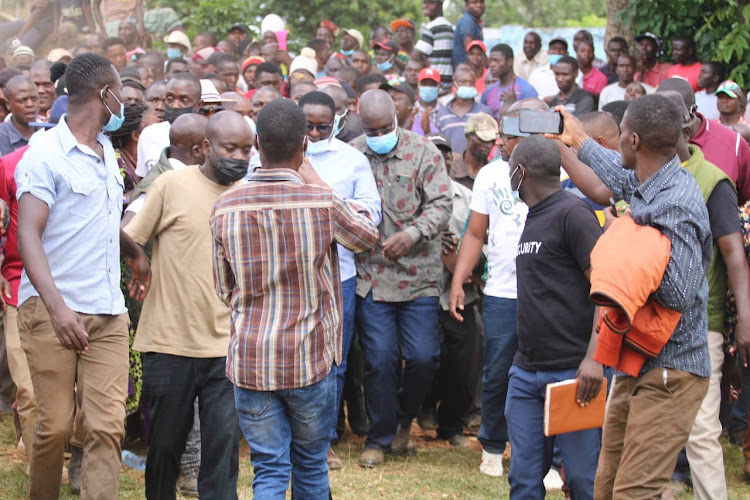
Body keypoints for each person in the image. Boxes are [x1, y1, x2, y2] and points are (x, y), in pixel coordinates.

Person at [211, 98, 378, 498]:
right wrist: (317, 180)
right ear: (304, 145)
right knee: (310, 462)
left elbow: (223, 288)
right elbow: (366, 236)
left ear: (256, 144)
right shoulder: (322, 201)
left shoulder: (226, 205)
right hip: (307, 357)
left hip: (250, 357)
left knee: (268, 466)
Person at [552, 93, 711, 498]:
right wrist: (575, 140)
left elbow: (679, 292)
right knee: (606, 487)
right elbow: (617, 174)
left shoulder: (677, 202)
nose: (616, 142)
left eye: (619, 135)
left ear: (634, 141)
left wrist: (627, 238)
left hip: (671, 372)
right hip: (635, 364)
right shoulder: (648, 181)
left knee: (635, 492)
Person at [15, 52, 150, 499]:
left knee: (107, 427)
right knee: (54, 427)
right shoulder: (44, 155)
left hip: (108, 314)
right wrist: (57, 309)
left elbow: (98, 217)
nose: (125, 105)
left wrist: (134, 253)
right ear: (105, 94)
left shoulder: (105, 153)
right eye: (121, 94)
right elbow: (28, 235)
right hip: (54, 310)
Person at [123, 110, 246, 499]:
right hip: (168, 342)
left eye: (247, 149)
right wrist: (139, 261)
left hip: (227, 346)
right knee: (163, 448)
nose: (239, 157)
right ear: (206, 148)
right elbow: (127, 233)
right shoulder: (171, 185)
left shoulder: (249, 193)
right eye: (230, 148)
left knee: (222, 449)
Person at [351, 89, 452, 467]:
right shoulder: (353, 154)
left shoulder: (423, 151)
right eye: (371, 129)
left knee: (424, 358)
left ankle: (404, 421)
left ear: (398, 120)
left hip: (419, 275)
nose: (379, 136)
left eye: (385, 128)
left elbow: (442, 204)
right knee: (379, 359)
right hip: (372, 275)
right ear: (361, 124)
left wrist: (413, 233)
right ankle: (379, 437)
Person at [505, 135, 603, 499]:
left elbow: (605, 292)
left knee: (581, 481)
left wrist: (594, 359)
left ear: (521, 172)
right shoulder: (534, 216)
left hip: (574, 374)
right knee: (524, 480)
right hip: (526, 372)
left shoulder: (572, 214)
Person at [296, 91, 381, 470]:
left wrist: (325, 205)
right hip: (290, 275)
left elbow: (370, 214)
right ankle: (296, 437)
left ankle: (324, 441)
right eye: (307, 126)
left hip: (338, 274)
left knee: (334, 361)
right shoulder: (274, 153)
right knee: (294, 357)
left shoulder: (352, 160)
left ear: (338, 123)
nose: (314, 133)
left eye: (322, 126)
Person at [420, 129, 482, 447]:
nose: (441, 159)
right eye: (434, 153)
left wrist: (461, 258)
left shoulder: (468, 198)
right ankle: (422, 408)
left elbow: (481, 243)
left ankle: (451, 426)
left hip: (461, 295)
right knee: (424, 358)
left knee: (462, 363)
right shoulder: (412, 196)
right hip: (422, 293)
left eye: (445, 153)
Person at [658, 77, 750, 204]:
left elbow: (746, 198)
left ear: (693, 111)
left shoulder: (733, 142)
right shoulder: (650, 141)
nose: (665, 124)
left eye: (674, 116)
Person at [135, 72, 200, 180]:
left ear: (199, 105)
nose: (175, 105)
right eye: (170, 99)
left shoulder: (207, 137)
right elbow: (142, 182)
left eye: (183, 101)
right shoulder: (149, 134)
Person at [436, 67, 493, 160]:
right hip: (450, 165)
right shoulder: (442, 114)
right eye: (464, 82)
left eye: (471, 82)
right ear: (454, 83)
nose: (468, 85)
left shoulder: (485, 112)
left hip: (477, 165)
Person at [481, 43, 538, 119]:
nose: (492, 65)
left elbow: (532, 120)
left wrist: (513, 104)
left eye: (496, 61)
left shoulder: (527, 90)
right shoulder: (487, 92)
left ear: (510, 62)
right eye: (490, 61)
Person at [414, 0, 454, 96]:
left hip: (432, 84)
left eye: (431, 2)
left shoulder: (432, 27)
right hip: (446, 85)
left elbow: (415, 56)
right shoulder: (449, 26)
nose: (426, 6)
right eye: (424, 2)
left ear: (440, 5)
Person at [93, 0, 181, 38]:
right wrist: (102, 28)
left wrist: (141, 26)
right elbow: (95, 5)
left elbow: (138, 5)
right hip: (114, 22)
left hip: (133, 19)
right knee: (120, 34)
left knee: (168, 14)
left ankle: (180, 44)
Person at [0, 76, 39, 156]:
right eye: (22, 100)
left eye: (34, 99)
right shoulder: (1, 136)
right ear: (8, 104)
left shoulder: (48, 133)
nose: (30, 104)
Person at [453, 0, 485, 67]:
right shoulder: (468, 22)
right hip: (466, 71)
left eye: (481, 1)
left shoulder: (475, 22)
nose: (479, 5)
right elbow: (472, 51)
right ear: (466, 5)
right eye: (474, 2)